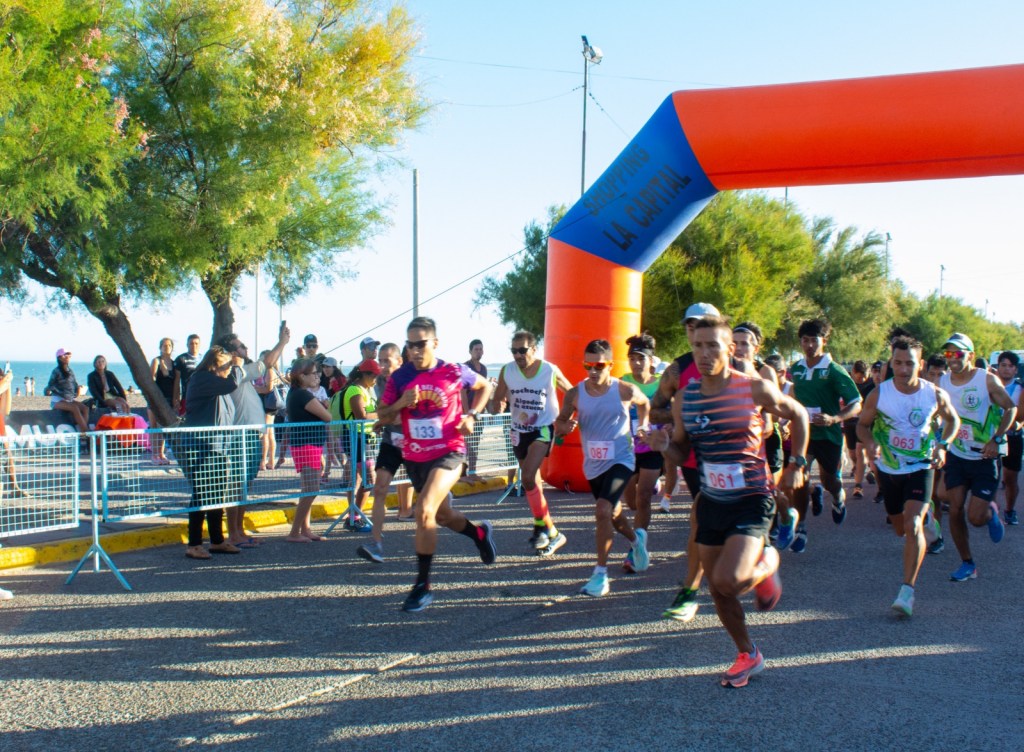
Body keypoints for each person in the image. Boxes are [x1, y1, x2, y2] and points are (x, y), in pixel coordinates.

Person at [651, 317, 808, 688]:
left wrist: (797, 464)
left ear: (730, 349)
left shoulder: (754, 389)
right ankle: (747, 654)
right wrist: (663, 447)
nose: (704, 354)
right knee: (718, 590)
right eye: (698, 346)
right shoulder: (685, 398)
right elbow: (683, 449)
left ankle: (769, 562)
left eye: (713, 346)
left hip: (752, 497)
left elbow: (798, 413)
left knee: (730, 579)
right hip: (712, 500)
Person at [376, 316, 496, 613]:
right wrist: (401, 403)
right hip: (416, 458)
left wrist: (472, 416)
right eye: (410, 345)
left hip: (449, 452)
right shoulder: (400, 378)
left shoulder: (453, 370)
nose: (415, 351)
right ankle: (478, 533)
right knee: (441, 516)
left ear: (435, 343)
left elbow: (485, 387)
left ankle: (422, 586)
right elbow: (383, 417)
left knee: (424, 509)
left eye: (421, 344)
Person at [857, 336, 959, 616]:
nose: (904, 369)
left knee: (913, 525)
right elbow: (862, 427)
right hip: (889, 470)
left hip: (921, 466)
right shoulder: (879, 394)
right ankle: (927, 519)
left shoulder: (934, 394)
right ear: (892, 363)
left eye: (910, 363)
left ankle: (907, 591)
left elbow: (952, 420)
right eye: (898, 363)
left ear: (921, 364)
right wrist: (869, 443)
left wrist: (943, 445)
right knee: (900, 528)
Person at [554, 339, 652, 597]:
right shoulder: (576, 393)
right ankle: (635, 541)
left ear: (610, 364)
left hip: (621, 459)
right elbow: (561, 423)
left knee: (602, 509)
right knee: (614, 514)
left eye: (599, 365)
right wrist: (564, 427)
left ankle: (600, 575)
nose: (593, 371)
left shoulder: (624, 390)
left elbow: (644, 404)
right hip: (594, 465)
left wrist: (643, 427)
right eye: (588, 365)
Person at [648, 302, 718, 621]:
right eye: (690, 327)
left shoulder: (744, 367)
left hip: (737, 460)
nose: (694, 332)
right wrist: (678, 420)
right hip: (693, 457)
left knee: (724, 529)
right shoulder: (677, 370)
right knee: (701, 520)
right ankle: (690, 590)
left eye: (701, 326)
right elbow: (655, 408)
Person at [938, 333, 1017, 581]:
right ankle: (967, 563)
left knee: (975, 518)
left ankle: (990, 513)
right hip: (958, 455)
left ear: (970, 355)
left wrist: (997, 438)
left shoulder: (987, 380)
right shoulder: (942, 381)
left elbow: (1011, 408)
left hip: (984, 457)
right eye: (948, 354)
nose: (952, 358)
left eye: (958, 353)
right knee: (954, 509)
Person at [490, 330, 573, 556]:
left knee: (526, 477)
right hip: (518, 431)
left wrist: (566, 419)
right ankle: (553, 533)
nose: (518, 355)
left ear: (534, 350)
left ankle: (539, 527)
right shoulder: (508, 370)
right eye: (514, 351)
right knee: (532, 484)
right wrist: (496, 405)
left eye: (523, 350)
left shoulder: (549, 370)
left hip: (542, 429)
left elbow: (573, 392)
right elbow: (498, 399)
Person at [788, 319, 862, 553]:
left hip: (828, 436)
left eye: (814, 340)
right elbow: (792, 400)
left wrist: (834, 419)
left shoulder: (834, 370)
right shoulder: (797, 369)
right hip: (805, 435)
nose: (809, 345)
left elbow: (856, 403)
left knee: (830, 480)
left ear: (824, 341)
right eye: (805, 340)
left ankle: (837, 497)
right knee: (799, 478)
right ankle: (801, 527)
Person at [217, 324, 291, 546]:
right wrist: (282, 342)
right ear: (232, 353)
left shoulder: (242, 371)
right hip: (240, 435)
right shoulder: (235, 371)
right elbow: (267, 363)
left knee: (245, 484)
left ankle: (239, 531)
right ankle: (234, 533)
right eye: (241, 347)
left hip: (251, 435)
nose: (245, 348)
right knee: (237, 485)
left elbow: (266, 367)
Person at [180, 346, 246, 559]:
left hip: (219, 446)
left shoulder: (217, 385)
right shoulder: (201, 378)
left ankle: (217, 540)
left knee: (217, 495)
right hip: (202, 446)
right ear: (215, 365)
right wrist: (237, 366)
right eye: (225, 366)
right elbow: (232, 383)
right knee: (201, 494)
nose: (228, 369)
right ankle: (194, 543)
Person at [357, 343, 412, 563]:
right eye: (380, 361)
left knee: (433, 500)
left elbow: (396, 413)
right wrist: (383, 419)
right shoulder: (380, 382)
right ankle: (377, 544)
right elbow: (386, 412)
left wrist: (388, 415)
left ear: (399, 361)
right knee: (380, 489)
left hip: (413, 441)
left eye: (387, 361)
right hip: (391, 441)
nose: (382, 365)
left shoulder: (409, 380)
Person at [620, 333, 663, 571]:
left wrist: (666, 425)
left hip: (652, 446)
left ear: (650, 360)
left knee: (644, 495)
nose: (636, 363)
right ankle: (639, 527)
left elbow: (670, 412)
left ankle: (636, 548)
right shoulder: (622, 381)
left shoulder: (661, 384)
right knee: (632, 501)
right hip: (627, 447)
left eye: (641, 358)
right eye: (632, 358)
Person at [284, 358, 333, 542]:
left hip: (306, 444)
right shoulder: (303, 395)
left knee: (308, 488)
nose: (316, 376)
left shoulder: (295, 393)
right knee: (311, 489)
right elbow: (327, 416)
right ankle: (295, 532)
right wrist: (323, 405)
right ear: (301, 375)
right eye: (312, 373)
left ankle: (306, 529)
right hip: (307, 445)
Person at [337, 359, 381, 531]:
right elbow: (361, 416)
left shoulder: (366, 390)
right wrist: (381, 414)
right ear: (366, 374)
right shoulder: (355, 390)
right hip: (355, 438)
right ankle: (354, 517)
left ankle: (354, 517)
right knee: (369, 479)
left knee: (360, 479)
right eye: (375, 375)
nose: (376, 378)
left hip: (364, 438)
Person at [995, 351, 1024, 525]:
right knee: (991, 475)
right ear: (998, 367)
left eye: (1010, 366)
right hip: (991, 438)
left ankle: (1010, 510)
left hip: (1013, 437)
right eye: (1003, 365)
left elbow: (1020, 419)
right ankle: (991, 509)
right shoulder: (989, 385)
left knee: (1010, 478)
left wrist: (1015, 424)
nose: (1006, 369)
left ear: (1015, 370)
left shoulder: (1020, 389)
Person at [845, 360, 875, 499]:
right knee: (852, 453)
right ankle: (858, 468)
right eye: (858, 378)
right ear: (853, 373)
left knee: (859, 451)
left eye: (864, 377)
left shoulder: (873, 386)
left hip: (865, 423)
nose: (861, 380)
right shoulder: (848, 383)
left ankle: (858, 486)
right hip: (849, 421)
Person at [45, 348, 90, 433]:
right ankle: (85, 432)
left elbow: (74, 384)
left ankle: (82, 429)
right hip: (57, 401)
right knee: (75, 408)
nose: (67, 357)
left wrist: (77, 391)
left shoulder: (70, 370)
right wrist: (60, 393)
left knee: (85, 408)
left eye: (69, 355)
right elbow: (50, 385)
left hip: (69, 400)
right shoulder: (56, 371)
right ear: (59, 358)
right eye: (65, 355)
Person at [462, 339, 488, 483]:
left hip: (479, 413)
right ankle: (463, 474)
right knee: (465, 444)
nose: (479, 351)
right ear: (470, 351)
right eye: (476, 349)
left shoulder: (483, 368)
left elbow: (485, 390)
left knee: (475, 444)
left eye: (480, 349)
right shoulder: (466, 367)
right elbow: (462, 392)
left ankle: (473, 471)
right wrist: (467, 413)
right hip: (468, 413)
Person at [149, 337, 176, 464]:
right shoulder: (156, 361)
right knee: (154, 427)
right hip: (156, 399)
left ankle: (161, 453)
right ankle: (154, 454)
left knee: (164, 427)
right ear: (160, 347)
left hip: (169, 399)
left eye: (169, 345)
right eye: (164, 345)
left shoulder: (174, 363)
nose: (167, 348)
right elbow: (151, 379)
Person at [172, 334, 201, 416]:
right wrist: (175, 399)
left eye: (196, 343)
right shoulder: (181, 359)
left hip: (201, 397)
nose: (194, 346)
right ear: (187, 344)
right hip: (187, 397)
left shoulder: (204, 359)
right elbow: (177, 381)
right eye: (191, 343)